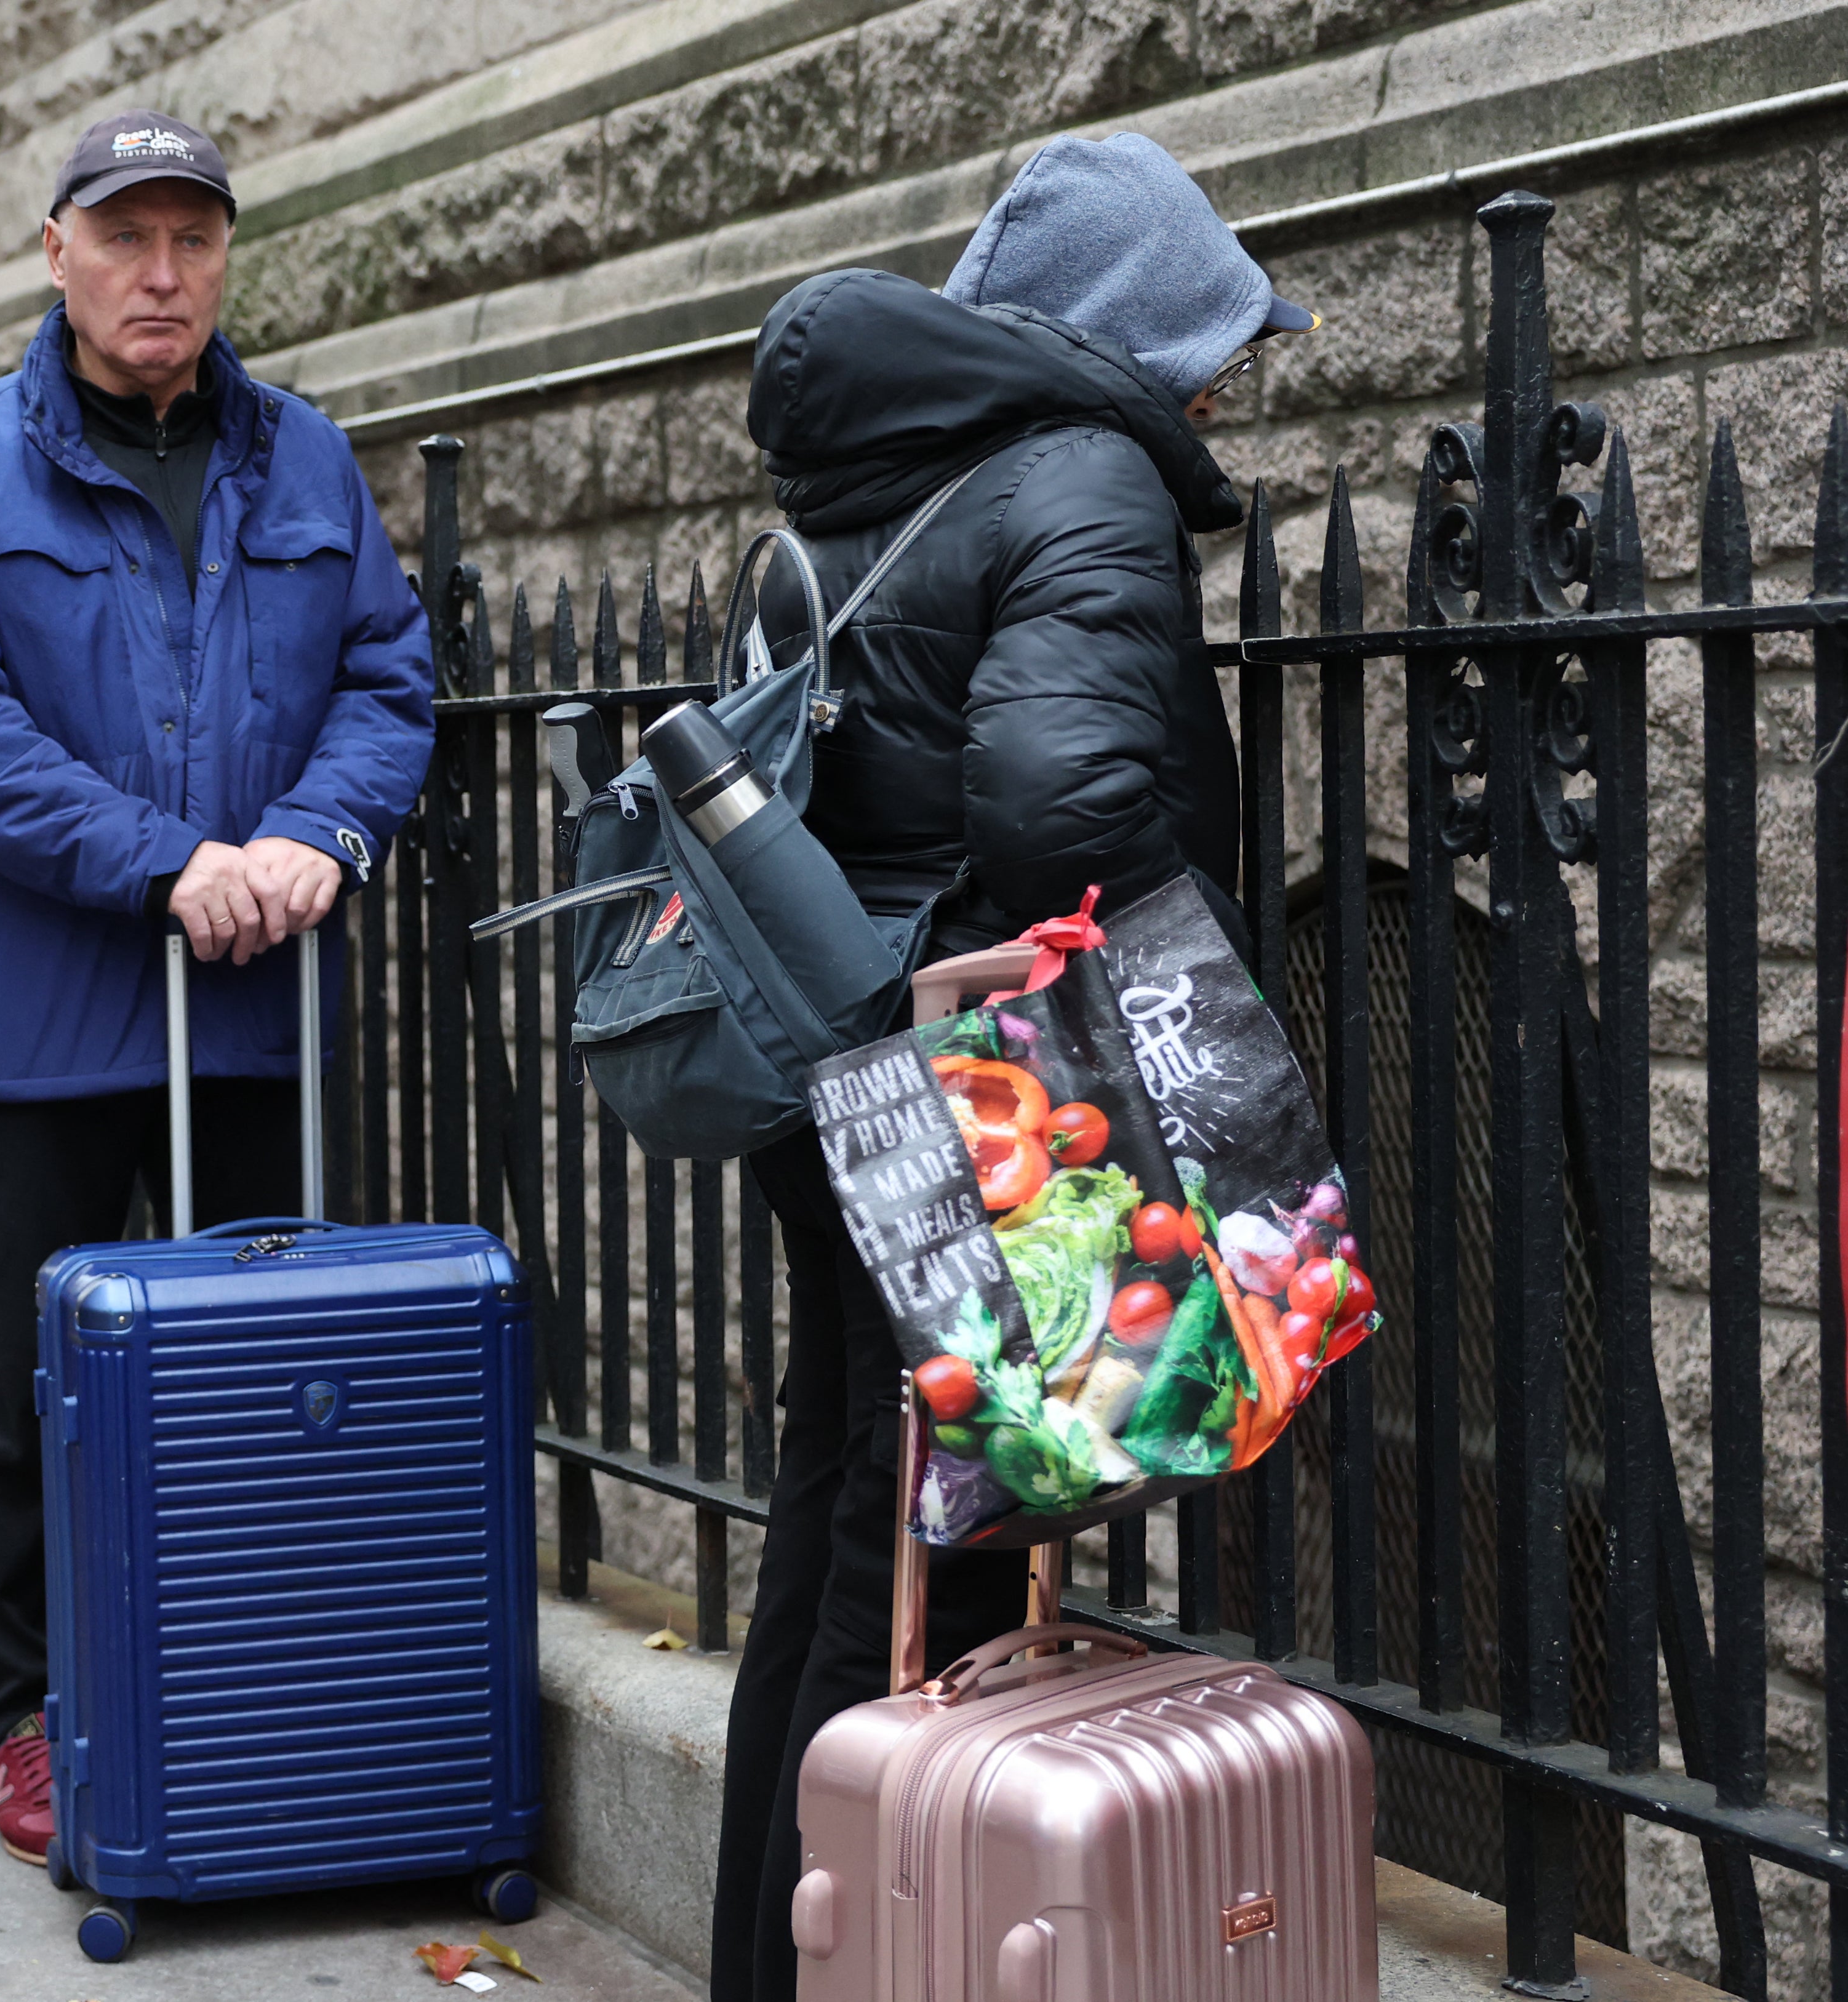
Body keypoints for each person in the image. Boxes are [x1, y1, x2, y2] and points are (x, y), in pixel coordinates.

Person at [705, 132, 1314, 2002]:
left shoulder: (865, 476)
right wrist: (1192, 1060)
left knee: (837, 1540)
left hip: (845, 1073)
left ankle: (778, 1959)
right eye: (1211, 339)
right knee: (947, 1572)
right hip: (992, 1096)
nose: (1222, 380)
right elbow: (1061, 799)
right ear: (1131, 335)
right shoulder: (1081, 471)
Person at [0, 110, 433, 1868]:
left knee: (272, 1379)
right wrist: (163, 861)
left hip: (254, 1016)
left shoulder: (306, 459)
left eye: (194, 236)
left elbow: (388, 675)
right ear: (57, 253)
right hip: (38, 1028)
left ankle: (258, 1684)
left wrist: (322, 830)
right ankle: (28, 1711)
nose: (162, 272)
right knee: (27, 1386)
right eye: (126, 238)